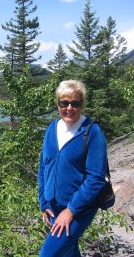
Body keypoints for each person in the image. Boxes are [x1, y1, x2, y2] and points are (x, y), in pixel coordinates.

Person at [38, 80, 107, 257]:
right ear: (58, 104)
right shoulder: (52, 128)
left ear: (82, 105)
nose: (69, 108)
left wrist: (71, 211)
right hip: (53, 206)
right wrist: (44, 202)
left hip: (79, 208)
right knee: (68, 252)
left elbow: (95, 178)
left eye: (75, 103)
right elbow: (43, 167)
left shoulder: (92, 132)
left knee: (48, 254)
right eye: (64, 103)